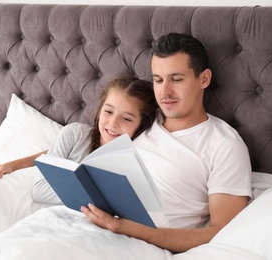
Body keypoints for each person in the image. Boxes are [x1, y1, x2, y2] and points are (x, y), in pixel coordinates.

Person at [81, 32, 252, 253]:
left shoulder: (225, 145)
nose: (165, 91)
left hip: (140, 243)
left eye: (177, 79)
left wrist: (126, 228)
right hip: (92, 223)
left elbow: (220, 231)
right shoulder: (143, 121)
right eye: (158, 80)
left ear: (204, 79)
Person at [0, 77, 158, 192]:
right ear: (99, 110)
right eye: (108, 112)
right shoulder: (76, 134)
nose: (113, 123)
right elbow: (41, 187)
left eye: (126, 119)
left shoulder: (137, 158)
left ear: (141, 126)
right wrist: (12, 165)